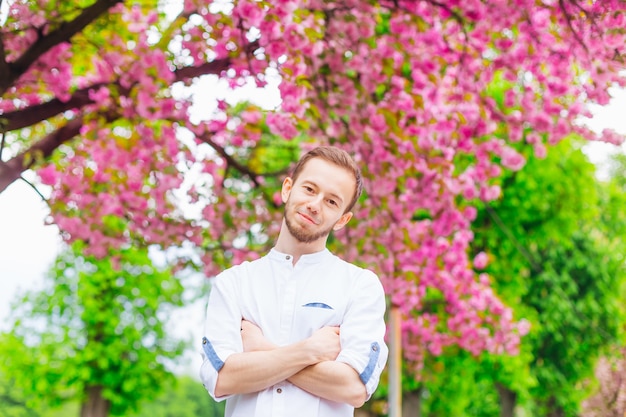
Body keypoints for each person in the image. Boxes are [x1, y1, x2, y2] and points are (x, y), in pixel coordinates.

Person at [199, 146, 389, 417]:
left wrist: (262, 350)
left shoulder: (360, 285)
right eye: (310, 189)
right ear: (288, 188)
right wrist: (311, 350)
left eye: (331, 201)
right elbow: (221, 379)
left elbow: (354, 387)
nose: (315, 204)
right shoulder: (233, 283)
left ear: (343, 219)